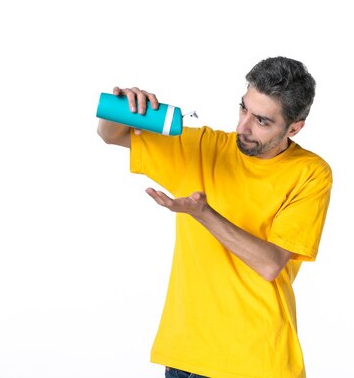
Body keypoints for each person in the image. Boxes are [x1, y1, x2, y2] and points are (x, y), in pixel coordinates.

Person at [97, 56, 333, 378]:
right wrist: (122, 105)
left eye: (262, 121)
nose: (243, 127)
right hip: (184, 356)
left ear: (294, 127)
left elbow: (270, 263)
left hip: (254, 362)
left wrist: (203, 214)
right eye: (243, 109)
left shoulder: (310, 173)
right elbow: (111, 135)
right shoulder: (205, 147)